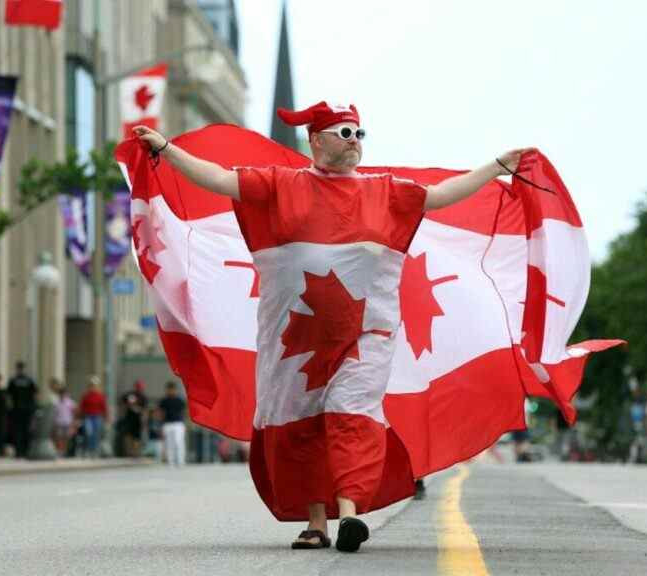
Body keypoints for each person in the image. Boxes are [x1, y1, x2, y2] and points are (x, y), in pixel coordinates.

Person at [132, 101, 529, 552]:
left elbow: (440, 195)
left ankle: (350, 513)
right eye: (345, 133)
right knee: (301, 425)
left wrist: (495, 167)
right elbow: (220, 179)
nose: (355, 143)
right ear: (316, 141)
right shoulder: (281, 184)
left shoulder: (386, 190)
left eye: (360, 134)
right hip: (293, 339)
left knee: (352, 414)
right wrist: (166, 148)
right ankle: (316, 522)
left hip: (366, 334)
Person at [7, 361, 37, 458]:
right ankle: (24, 451)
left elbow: (9, 395)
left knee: (18, 431)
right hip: (26, 410)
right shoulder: (29, 380)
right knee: (24, 431)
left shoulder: (13, 380)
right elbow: (35, 394)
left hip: (18, 410)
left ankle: (20, 451)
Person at [159, 381, 186, 467]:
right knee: (169, 444)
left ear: (175, 390)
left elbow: (185, 412)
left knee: (178, 442)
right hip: (167, 424)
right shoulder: (164, 401)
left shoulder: (180, 400)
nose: (171, 391)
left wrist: (186, 423)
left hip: (178, 423)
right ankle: (171, 461)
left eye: (172, 389)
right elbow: (161, 413)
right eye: (169, 390)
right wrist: (161, 424)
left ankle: (180, 461)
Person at [78, 376, 107, 458]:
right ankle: (86, 449)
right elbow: (82, 407)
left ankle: (93, 450)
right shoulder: (86, 396)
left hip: (97, 417)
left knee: (95, 434)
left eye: (94, 385)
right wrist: (79, 417)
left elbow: (104, 407)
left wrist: (106, 417)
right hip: (88, 416)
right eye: (91, 385)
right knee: (88, 432)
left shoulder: (100, 396)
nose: (92, 387)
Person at [120, 380, 148, 458]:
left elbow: (144, 410)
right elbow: (123, 403)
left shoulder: (143, 397)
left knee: (136, 437)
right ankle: (129, 452)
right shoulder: (130, 395)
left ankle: (135, 452)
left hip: (138, 419)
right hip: (129, 418)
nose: (139, 389)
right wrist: (126, 408)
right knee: (128, 435)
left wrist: (144, 420)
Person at [52, 380, 77, 457]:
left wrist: (73, 423)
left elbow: (74, 412)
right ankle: (59, 451)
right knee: (59, 438)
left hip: (67, 422)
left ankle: (64, 451)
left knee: (66, 438)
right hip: (58, 422)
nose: (62, 395)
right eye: (61, 394)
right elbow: (54, 413)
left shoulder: (70, 402)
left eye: (63, 393)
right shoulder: (56, 402)